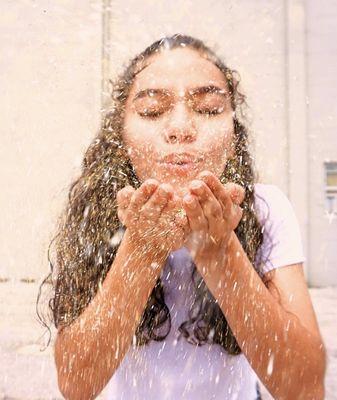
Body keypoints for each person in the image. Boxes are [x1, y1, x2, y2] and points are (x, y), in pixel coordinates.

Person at [37, 34, 326, 400]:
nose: (180, 128)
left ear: (233, 135)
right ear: (121, 136)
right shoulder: (100, 211)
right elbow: (77, 384)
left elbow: (304, 388)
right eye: (152, 111)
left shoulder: (266, 210)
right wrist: (142, 249)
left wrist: (218, 252)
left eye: (207, 109)